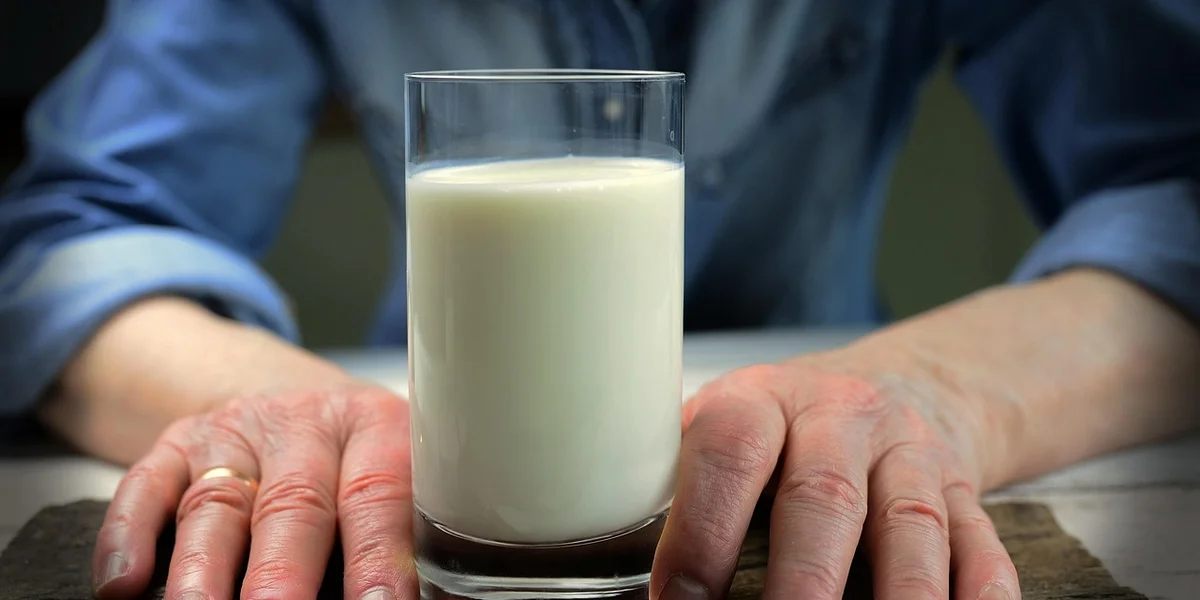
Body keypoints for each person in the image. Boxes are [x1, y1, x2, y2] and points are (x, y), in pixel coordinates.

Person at [1, 1, 1198, 599]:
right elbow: (68, 232)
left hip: (841, 395)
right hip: (440, 454)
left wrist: (934, 388)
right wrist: (300, 413)